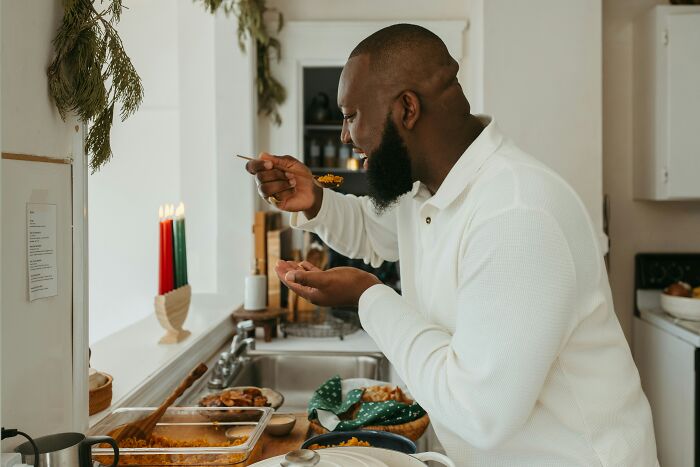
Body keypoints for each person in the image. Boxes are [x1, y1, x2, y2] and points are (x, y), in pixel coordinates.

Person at [246, 24, 658, 466]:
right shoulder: (428, 191)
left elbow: (479, 411)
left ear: (407, 109)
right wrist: (316, 200)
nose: (346, 137)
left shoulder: (516, 214)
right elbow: (373, 231)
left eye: (351, 116)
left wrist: (369, 296)